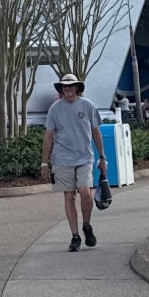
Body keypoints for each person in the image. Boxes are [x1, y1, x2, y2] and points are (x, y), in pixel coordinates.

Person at [42, 74, 108, 251]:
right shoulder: (55, 109)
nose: (68, 89)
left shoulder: (87, 105)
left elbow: (96, 132)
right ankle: (75, 236)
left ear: (77, 88)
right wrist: (44, 163)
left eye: (71, 86)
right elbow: (48, 136)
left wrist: (102, 157)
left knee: (85, 193)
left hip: (85, 157)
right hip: (62, 159)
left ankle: (86, 225)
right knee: (69, 196)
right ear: (61, 89)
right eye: (65, 87)